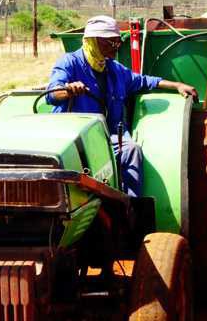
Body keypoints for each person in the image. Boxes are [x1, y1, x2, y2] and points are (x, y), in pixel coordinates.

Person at [46, 15, 198, 197]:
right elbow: (51, 95)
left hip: (109, 138)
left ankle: (131, 209)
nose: (116, 48)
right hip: (74, 138)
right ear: (93, 41)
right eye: (110, 43)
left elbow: (143, 81)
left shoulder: (114, 69)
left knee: (131, 149)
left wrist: (177, 85)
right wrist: (68, 90)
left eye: (118, 43)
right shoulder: (69, 63)